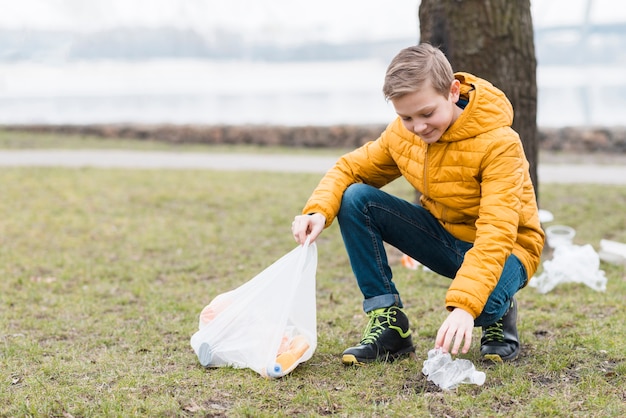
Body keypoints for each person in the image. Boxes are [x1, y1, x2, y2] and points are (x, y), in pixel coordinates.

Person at [290, 43, 545, 366]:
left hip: (509, 248)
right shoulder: (404, 133)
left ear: (453, 92)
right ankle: (389, 326)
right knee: (355, 198)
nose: (419, 127)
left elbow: (497, 232)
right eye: (406, 116)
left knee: (485, 304)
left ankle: (500, 311)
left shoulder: (500, 144)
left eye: (427, 113)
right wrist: (316, 211)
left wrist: (465, 307)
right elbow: (350, 168)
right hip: (445, 237)